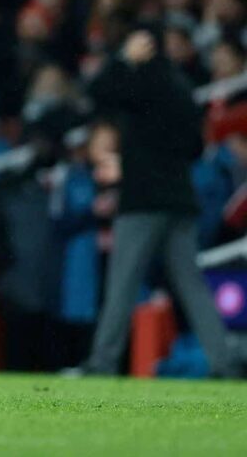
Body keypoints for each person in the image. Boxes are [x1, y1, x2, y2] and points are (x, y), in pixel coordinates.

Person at [82, 28, 240, 377]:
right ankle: (224, 362)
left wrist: (122, 60)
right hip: (180, 199)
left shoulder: (139, 81)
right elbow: (197, 147)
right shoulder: (182, 87)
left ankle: (102, 362)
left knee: (122, 285)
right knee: (192, 286)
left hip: (142, 200)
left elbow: (96, 91)